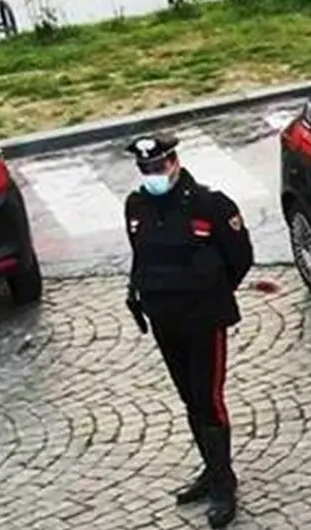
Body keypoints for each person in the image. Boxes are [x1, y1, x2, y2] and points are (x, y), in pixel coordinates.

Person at [123, 133, 264, 528]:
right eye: (146, 169)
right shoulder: (136, 206)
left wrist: (212, 291)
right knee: (189, 398)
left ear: (175, 161)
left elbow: (240, 257)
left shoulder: (209, 205)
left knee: (208, 398)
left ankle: (224, 483)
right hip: (164, 317)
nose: (153, 174)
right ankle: (211, 467)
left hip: (203, 317)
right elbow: (141, 257)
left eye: (159, 166)